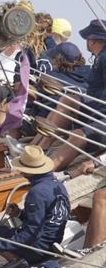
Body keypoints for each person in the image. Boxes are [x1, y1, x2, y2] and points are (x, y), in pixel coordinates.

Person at [0, 145, 70, 266]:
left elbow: (32, 234)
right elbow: (46, 218)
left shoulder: (37, 192)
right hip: (52, 244)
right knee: (3, 232)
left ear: (29, 171)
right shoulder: (58, 185)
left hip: (38, 248)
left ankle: (20, 263)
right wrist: (19, 214)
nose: (20, 171)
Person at [50, 19, 106, 172]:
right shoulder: (100, 58)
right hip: (97, 108)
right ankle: (39, 146)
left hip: (101, 113)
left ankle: (44, 171)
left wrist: (96, 116)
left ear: (93, 41)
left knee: (78, 135)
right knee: (68, 99)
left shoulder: (105, 58)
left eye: (87, 38)